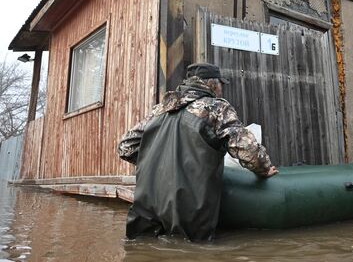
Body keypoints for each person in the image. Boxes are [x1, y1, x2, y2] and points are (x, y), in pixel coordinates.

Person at [119, 62, 278, 241]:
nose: (221, 89)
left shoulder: (159, 110)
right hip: (189, 211)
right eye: (220, 84)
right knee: (192, 253)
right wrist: (264, 168)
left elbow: (125, 147)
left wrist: (158, 161)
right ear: (212, 84)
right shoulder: (216, 107)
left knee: (142, 250)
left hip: (147, 208)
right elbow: (244, 147)